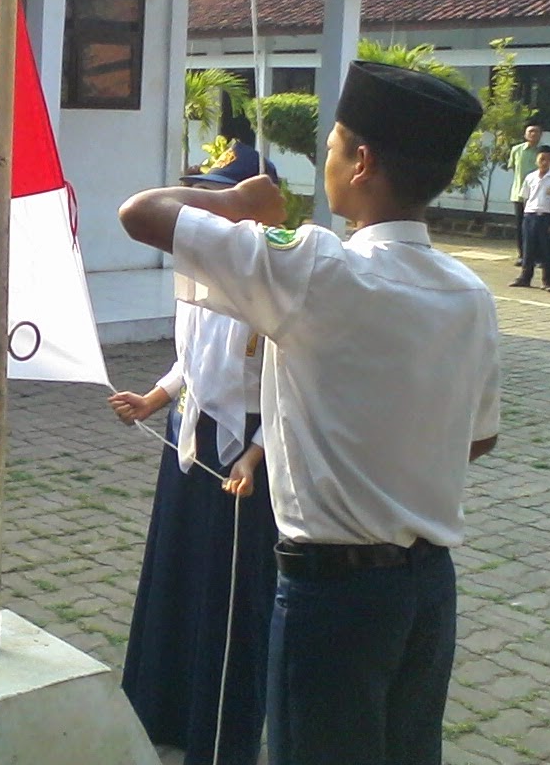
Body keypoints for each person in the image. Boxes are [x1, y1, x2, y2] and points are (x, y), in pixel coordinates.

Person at [117, 61, 500, 765]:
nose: (323, 159)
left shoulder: (317, 269)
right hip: (427, 590)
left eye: (331, 146)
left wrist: (235, 200)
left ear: (363, 163)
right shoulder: (470, 292)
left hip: (336, 593)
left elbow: (140, 213)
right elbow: (479, 440)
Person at [110, 141, 278, 765]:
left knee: (232, 598)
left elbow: (298, 388)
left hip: (248, 458)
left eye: (220, 199)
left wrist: (257, 456)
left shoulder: (276, 278)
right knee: (176, 576)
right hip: (191, 443)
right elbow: (193, 357)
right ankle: (163, 706)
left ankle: (222, 731)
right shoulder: (199, 274)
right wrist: (155, 398)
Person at [510, 145, 550, 288]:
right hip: (530, 216)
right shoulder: (530, 177)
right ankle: (525, 277)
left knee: (546, 249)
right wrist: (527, 214)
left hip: (547, 216)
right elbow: (525, 198)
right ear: (536, 160)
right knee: (527, 248)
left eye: (548, 159)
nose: (544, 162)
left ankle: (548, 279)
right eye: (542, 159)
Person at [506, 123, 543, 266]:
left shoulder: (545, 152)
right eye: (530, 131)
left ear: (541, 135)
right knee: (521, 226)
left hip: (538, 196)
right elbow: (513, 169)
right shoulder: (516, 150)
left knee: (538, 227)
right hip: (519, 195)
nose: (533, 134)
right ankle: (522, 256)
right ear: (525, 134)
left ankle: (538, 257)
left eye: (536, 131)